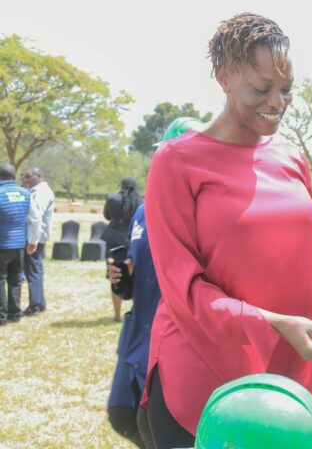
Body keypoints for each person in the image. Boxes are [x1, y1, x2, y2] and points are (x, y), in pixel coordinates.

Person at [142, 13, 312, 448]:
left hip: (291, 374)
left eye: (286, 89)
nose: (277, 102)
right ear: (224, 77)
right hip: (202, 374)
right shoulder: (176, 162)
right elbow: (183, 289)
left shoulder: (291, 158)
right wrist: (271, 322)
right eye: (261, 88)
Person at [104, 117, 204, 449]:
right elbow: (136, 271)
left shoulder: (208, 213)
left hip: (177, 345)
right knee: (122, 417)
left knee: (161, 432)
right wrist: (122, 280)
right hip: (137, 338)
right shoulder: (143, 212)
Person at [101, 177, 143, 322]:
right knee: (135, 276)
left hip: (114, 240)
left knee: (115, 277)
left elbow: (106, 215)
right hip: (133, 240)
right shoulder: (140, 201)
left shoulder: (112, 198)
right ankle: (136, 311)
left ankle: (117, 315)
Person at [0, 164, 37, 325]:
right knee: (15, 280)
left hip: (2, 245)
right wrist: (33, 241)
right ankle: (15, 314)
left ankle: (1, 316)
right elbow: (35, 219)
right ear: (14, 176)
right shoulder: (25, 193)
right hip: (19, 245)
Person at [21, 167, 55, 316]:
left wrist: (32, 240)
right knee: (36, 270)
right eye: (23, 177)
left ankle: (35, 306)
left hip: (35, 237)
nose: (25, 180)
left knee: (33, 271)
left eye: (29, 176)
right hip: (36, 236)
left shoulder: (41, 192)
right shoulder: (36, 190)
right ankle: (39, 304)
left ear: (39, 176)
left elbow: (36, 216)